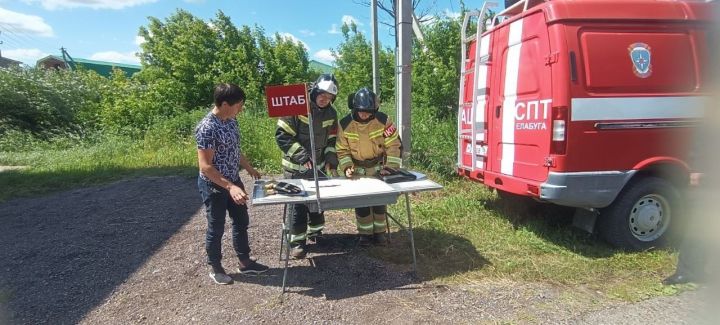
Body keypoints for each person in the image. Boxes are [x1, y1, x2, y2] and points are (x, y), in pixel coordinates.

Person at [195, 83, 269, 285]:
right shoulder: (207, 128)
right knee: (216, 227)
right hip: (214, 185)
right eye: (239, 105)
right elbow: (205, 167)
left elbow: (235, 150)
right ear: (225, 104)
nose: (241, 108)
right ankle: (216, 268)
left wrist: (249, 167)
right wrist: (230, 187)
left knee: (241, 221)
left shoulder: (231, 120)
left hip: (233, 181)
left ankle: (245, 262)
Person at [275, 74, 340, 259]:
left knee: (318, 202)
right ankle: (297, 242)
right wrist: (302, 156)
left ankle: (315, 233)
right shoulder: (296, 107)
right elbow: (282, 136)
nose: (324, 100)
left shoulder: (331, 113)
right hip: (295, 167)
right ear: (314, 91)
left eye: (329, 98)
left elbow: (331, 139)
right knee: (299, 205)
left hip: (317, 167)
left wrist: (330, 159)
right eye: (322, 95)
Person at [336, 87, 402, 246]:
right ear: (354, 108)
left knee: (379, 202)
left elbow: (394, 145)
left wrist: (391, 167)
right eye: (361, 111)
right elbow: (342, 149)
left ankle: (380, 233)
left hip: (379, 169)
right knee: (362, 204)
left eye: (368, 111)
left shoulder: (383, 121)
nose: (364, 114)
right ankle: (364, 235)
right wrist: (347, 167)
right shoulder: (345, 124)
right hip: (358, 172)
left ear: (375, 109)